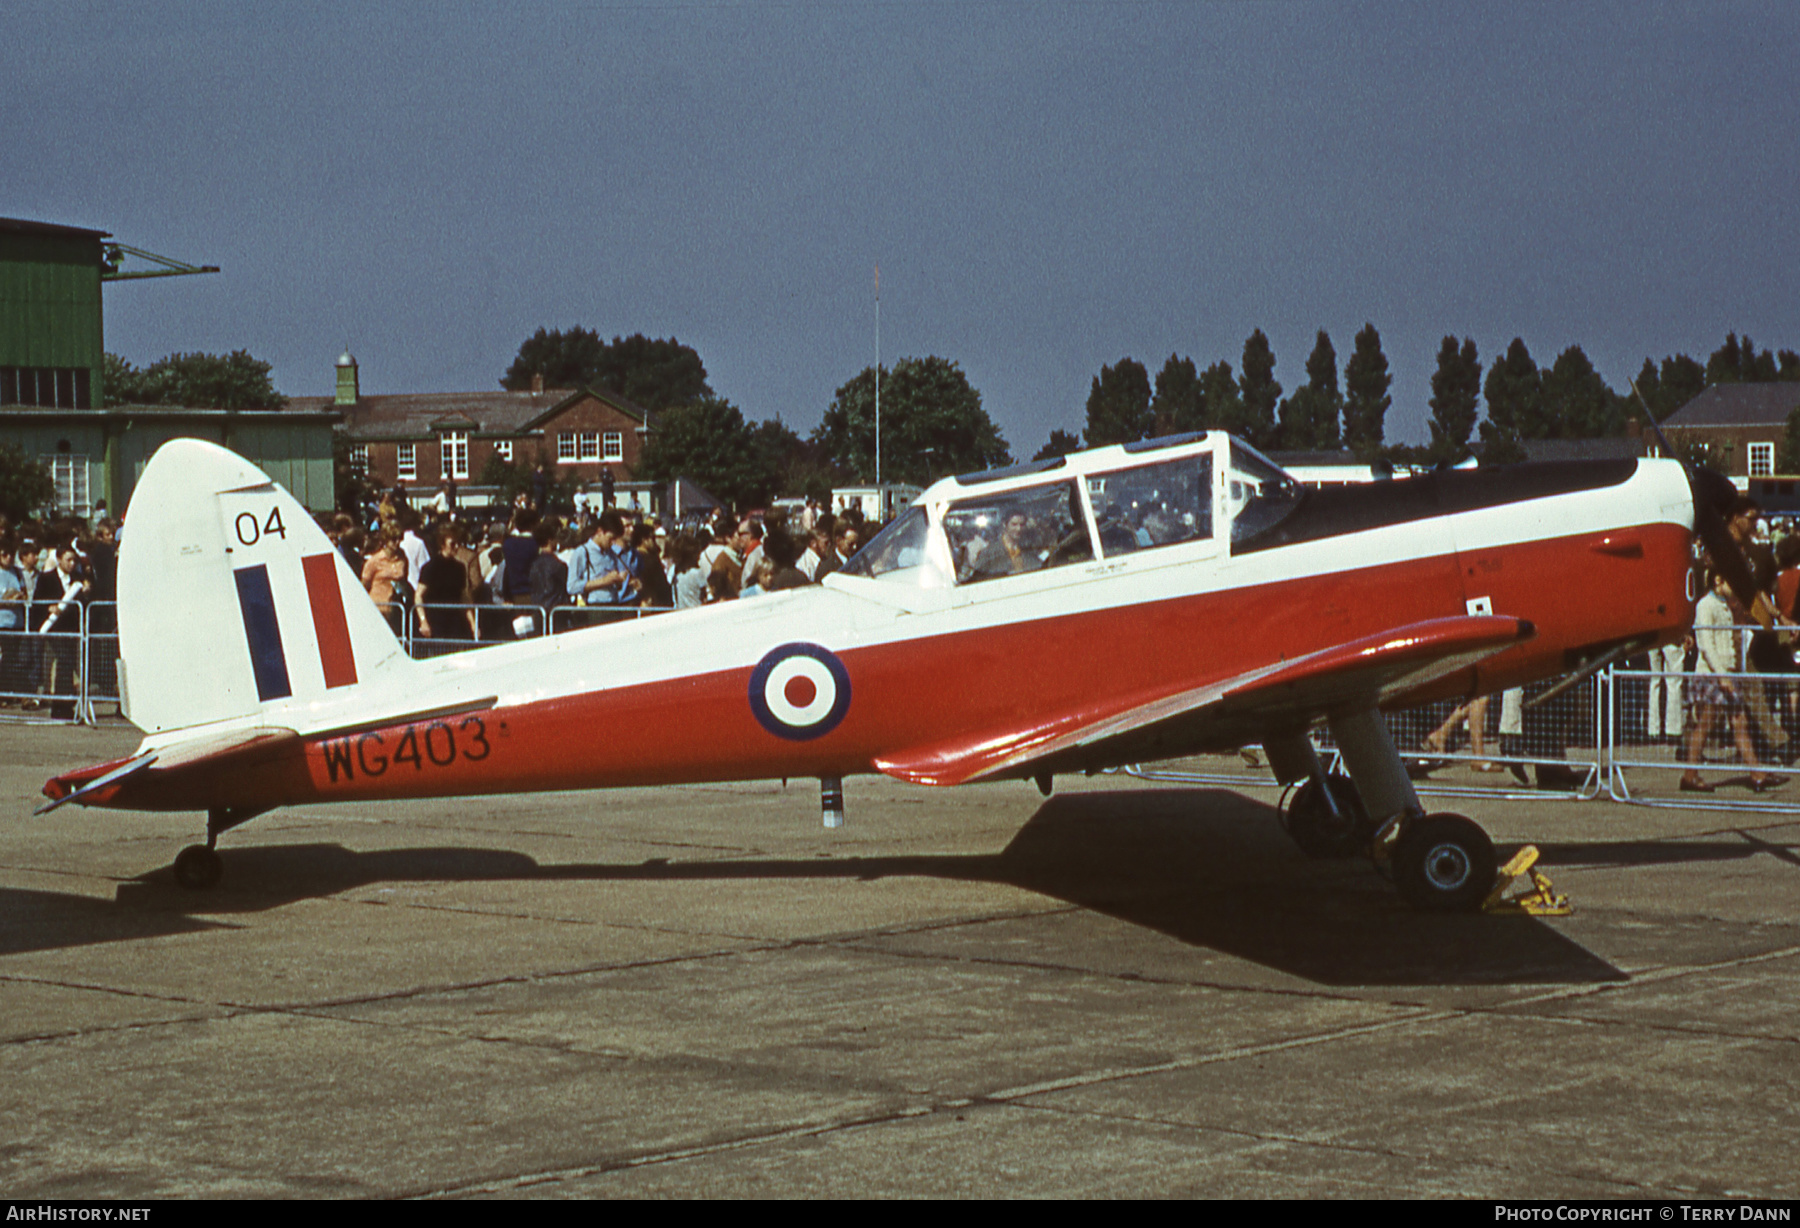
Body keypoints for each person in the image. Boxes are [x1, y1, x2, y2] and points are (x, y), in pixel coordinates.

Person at [1681, 570, 1783, 793]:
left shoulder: (1729, 605)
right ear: (1718, 580)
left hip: (1728, 674)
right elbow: (1706, 645)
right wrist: (1722, 675)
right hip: (1712, 675)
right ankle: (1689, 775)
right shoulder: (1705, 605)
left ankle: (1757, 774)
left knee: (1740, 724)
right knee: (1706, 724)